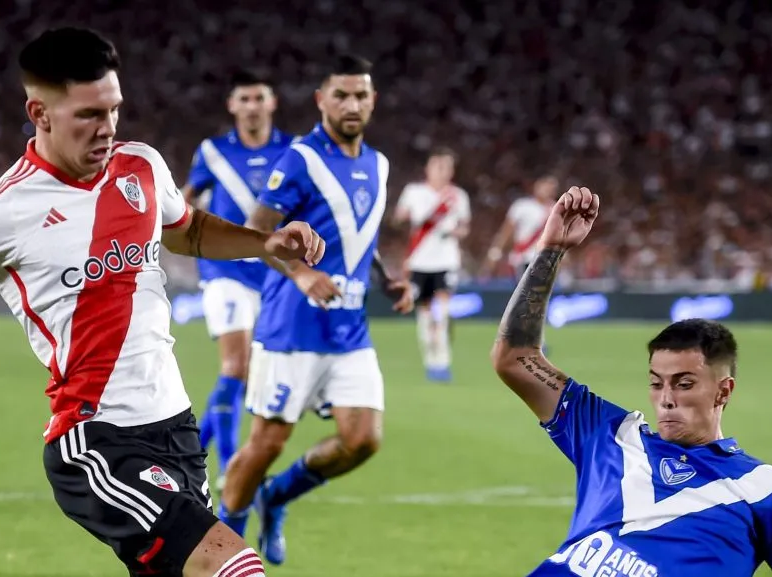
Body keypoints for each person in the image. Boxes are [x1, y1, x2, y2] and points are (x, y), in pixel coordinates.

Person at [0, 27, 329, 577]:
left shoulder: (140, 166)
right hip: (95, 444)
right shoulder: (2, 211)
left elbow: (186, 230)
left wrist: (265, 243)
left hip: (176, 429)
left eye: (114, 110)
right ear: (40, 113)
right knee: (236, 567)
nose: (108, 128)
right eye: (89, 115)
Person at [491, 185, 772, 576]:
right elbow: (516, 358)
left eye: (683, 384)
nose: (666, 398)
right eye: (656, 382)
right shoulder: (610, 436)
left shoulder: (764, 489)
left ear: (723, 390)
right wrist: (550, 251)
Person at [217, 53, 414, 566]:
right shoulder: (301, 159)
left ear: (374, 101)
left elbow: (358, 234)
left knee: (363, 439)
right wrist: (302, 273)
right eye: (341, 95)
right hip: (291, 329)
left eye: (361, 95)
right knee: (265, 446)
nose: (352, 104)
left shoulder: (379, 163)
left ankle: (276, 498)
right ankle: (221, 552)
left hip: (349, 331)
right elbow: (258, 236)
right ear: (320, 100)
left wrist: (387, 278)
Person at [182, 71, 294, 491]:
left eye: (258, 98)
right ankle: (228, 470)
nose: (251, 105)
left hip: (272, 275)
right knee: (237, 364)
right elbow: (184, 199)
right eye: (243, 98)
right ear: (232, 106)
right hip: (224, 270)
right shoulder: (213, 152)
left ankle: (191, 454)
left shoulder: (292, 151)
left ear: (272, 102)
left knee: (252, 376)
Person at [393, 147, 471, 382]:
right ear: (428, 168)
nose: (442, 171)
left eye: (447, 167)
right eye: (438, 166)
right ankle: (430, 360)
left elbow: (465, 228)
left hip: (446, 261)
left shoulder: (458, 195)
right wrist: (406, 217)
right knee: (425, 313)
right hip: (419, 261)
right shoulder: (414, 192)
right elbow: (398, 218)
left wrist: (454, 231)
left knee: (442, 311)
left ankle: (443, 361)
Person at [482, 174, 557, 280]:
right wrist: (496, 251)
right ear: (536, 186)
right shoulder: (522, 206)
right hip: (524, 257)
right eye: (544, 186)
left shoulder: (556, 209)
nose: (547, 190)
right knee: (524, 293)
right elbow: (506, 231)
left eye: (551, 188)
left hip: (546, 259)